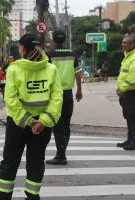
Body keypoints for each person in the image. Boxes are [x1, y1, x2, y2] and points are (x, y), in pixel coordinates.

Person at [0, 34, 63, 200]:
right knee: (36, 161)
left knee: (10, 160)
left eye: (19, 46)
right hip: (42, 126)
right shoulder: (51, 69)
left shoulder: (14, 68)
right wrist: (43, 121)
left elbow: (10, 99)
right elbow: (57, 98)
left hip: (18, 124)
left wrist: (28, 121)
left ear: (23, 48)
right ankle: (32, 196)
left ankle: (3, 196)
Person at [45, 30, 83, 165]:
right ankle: (62, 153)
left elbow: (45, 75)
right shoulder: (72, 55)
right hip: (68, 94)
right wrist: (79, 90)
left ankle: (61, 156)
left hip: (55, 94)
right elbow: (78, 73)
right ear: (65, 40)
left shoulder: (49, 55)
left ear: (53, 40)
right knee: (66, 125)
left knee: (57, 125)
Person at [116, 34, 135, 151]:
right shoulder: (128, 56)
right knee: (128, 116)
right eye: (123, 42)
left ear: (132, 44)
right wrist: (119, 87)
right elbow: (124, 74)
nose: (123, 44)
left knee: (133, 117)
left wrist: (122, 88)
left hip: (132, 91)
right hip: (126, 91)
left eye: (125, 43)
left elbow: (133, 76)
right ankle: (130, 139)